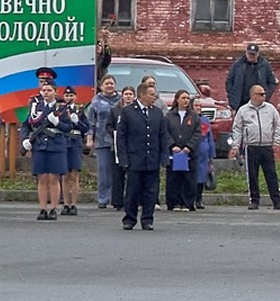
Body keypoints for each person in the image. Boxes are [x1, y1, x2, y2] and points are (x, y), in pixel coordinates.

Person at [19, 66, 80, 220]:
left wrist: (57, 122)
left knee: (53, 178)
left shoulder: (62, 108)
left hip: (56, 145)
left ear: (55, 92)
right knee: (42, 178)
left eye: (49, 90)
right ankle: (42, 209)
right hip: (39, 145)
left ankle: (53, 208)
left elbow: (68, 127)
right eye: (44, 90)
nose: (46, 92)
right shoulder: (36, 107)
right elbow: (26, 125)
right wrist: (25, 139)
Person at [111, 76, 171, 230]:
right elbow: (121, 137)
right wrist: (123, 158)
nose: (154, 97)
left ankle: (147, 219)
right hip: (134, 159)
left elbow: (163, 136)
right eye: (151, 95)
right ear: (142, 95)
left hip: (152, 159)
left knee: (151, 191)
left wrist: (164, 156)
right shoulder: (127, 112)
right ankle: (129, 219)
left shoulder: (157, 113)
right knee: (133, 191)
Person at [233, 83, 280, 210]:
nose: (263, 96)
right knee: (252, 175)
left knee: (271, 174)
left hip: (267, 146)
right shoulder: (243, 110)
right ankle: (254, 200)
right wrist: (236, 145)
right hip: (251, 146)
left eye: (264, 94)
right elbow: (237, 129)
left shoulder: (270, 109)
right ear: (253, 95)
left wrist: (276, 142)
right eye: (260, 94)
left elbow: (277, 126)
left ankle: (277, 201)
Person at [164, 90, 205, 213]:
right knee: (173, 178)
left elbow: (197, 133)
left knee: (189, 179)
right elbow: (165, 132)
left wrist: (189, 147)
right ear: (177, 99)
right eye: (183, 98)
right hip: (174, 153)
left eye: (187, 98)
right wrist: (172, 145)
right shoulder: (169, 116)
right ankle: (174, 202)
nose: (186, 100)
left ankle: (187, 202)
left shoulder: (194, 117)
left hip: (189, 154)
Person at [88, 73, 121, 210]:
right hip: (102, 140)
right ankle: (103, 198)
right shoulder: (95, 102)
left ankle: (117, 197)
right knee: (104, 171)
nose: (109, 86)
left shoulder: (121, 100)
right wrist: (90, 137)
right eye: (107, 83)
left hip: (119, 141)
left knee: (118, 171)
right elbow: (90, 122)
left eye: (111, 83)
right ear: (101, 86)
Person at [224, 40, 277, 116]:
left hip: (259, 103)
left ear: (258, 54)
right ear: (246, 53)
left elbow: (271, 82)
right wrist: (232, 95)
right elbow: (229, 81)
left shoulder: (265, 65)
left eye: (253, 54)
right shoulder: (238, 64)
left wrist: (266, 95)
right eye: (249, 54)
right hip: (240, 103)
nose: (251, 56)